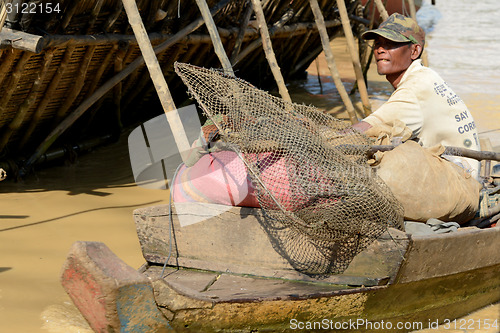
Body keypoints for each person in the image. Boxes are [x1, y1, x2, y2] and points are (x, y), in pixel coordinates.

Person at [353, 13, 481, 178]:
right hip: (459, 169)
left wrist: (324, 139)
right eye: (378, 43)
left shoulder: (414, 89)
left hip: (458, 179)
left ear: (414, 51)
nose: (380, 50)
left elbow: (364, 130)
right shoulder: (424, 77)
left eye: (390, 44)